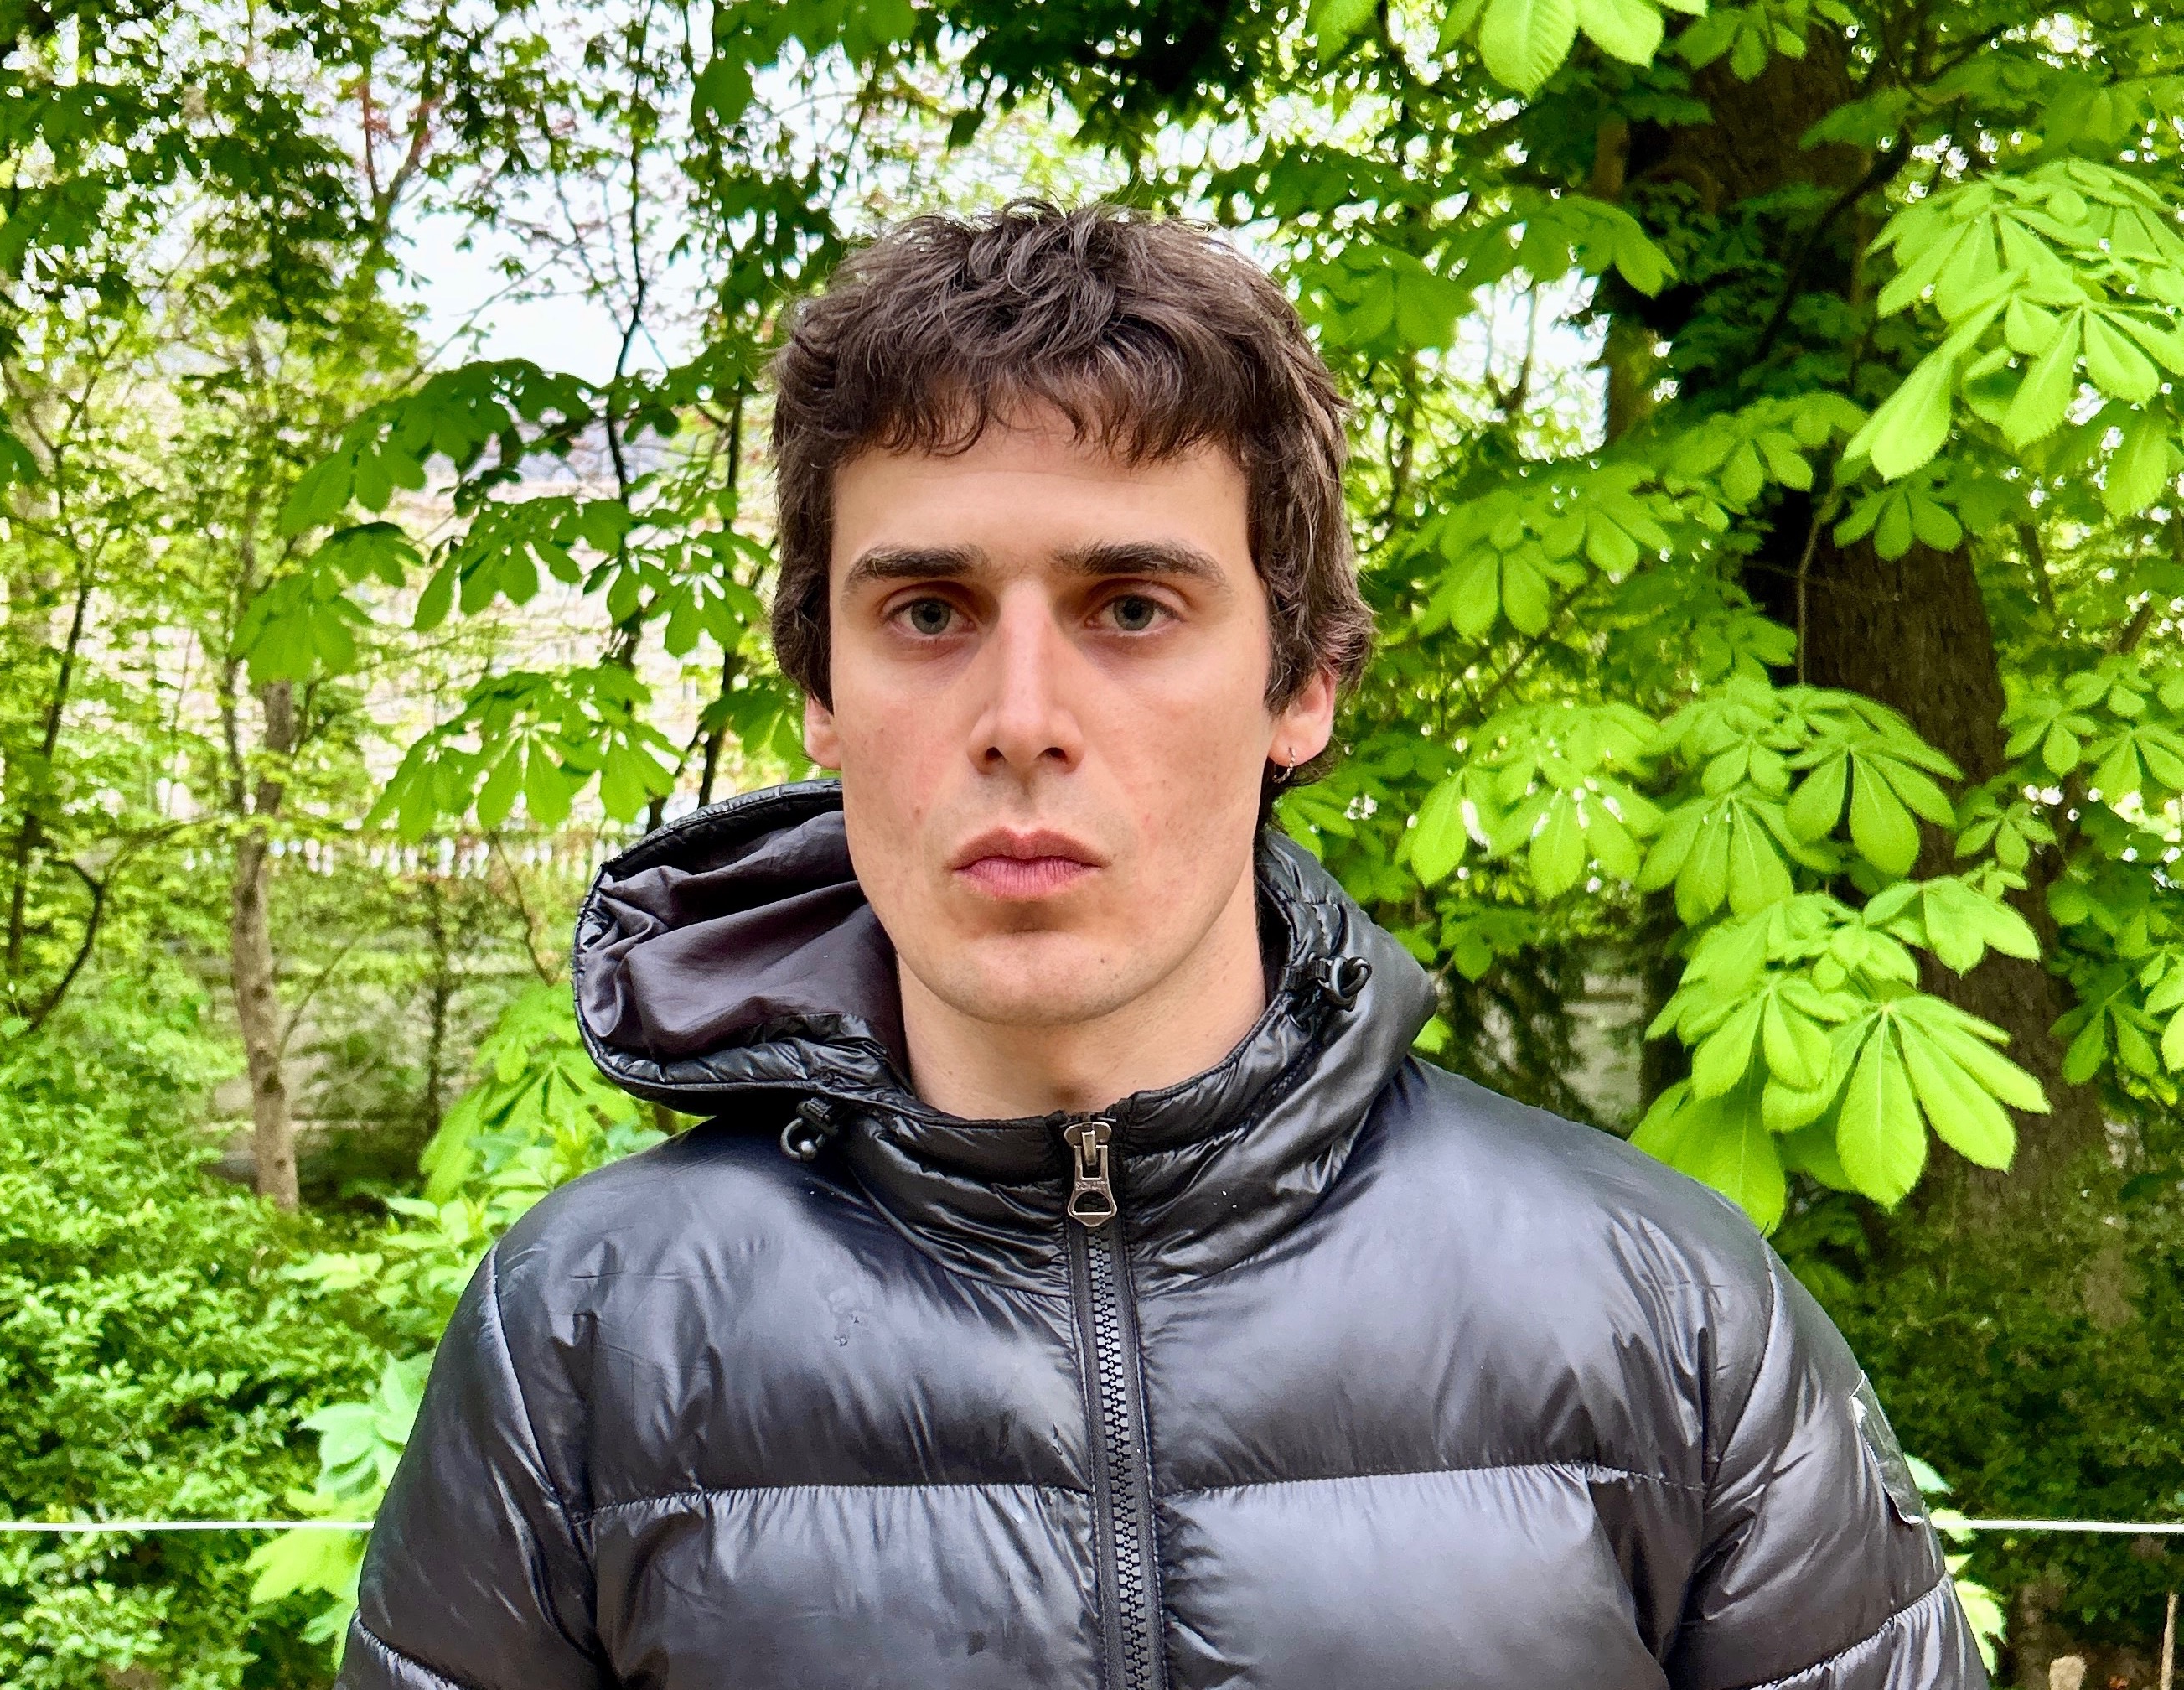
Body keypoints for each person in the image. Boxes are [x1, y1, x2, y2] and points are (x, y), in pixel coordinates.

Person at [339, 202, 1985, 1690]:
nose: (1022, 719)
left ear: (1302, 685)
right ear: (823, 696)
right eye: (928, 613)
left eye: (1131, 607)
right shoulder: (585, 1341)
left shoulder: (1667, 1317)